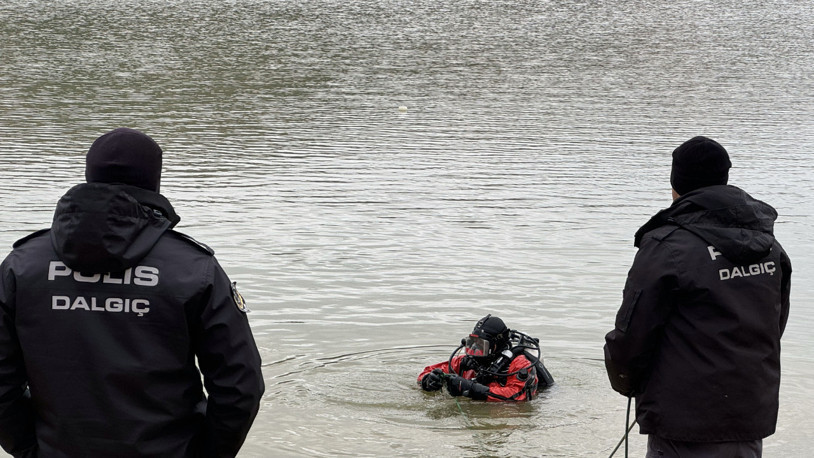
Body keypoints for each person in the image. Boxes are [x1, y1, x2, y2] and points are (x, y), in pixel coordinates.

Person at [0, 128, 265, 458]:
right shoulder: (193, 268)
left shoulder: (23, 265)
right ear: (154, 182)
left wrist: (29, 448)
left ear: (90, 176)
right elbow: (240, 387)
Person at [604, 136, 791, 457]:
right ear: (724, 178)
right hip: (748, 413)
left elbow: (632, 335)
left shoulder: (667, 246)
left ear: (676, 185)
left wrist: (627, 382)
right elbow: (776, 324)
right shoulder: (770, 247)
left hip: (683, 421)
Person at [418, 314, 554, 401]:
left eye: (481, 346)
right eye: (472, 343)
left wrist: (471, 389)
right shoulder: (465, 362)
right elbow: (427, 371)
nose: (474, 351)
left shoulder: (519, 364)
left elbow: (516, 396)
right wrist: (428, 380)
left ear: (496, 345)